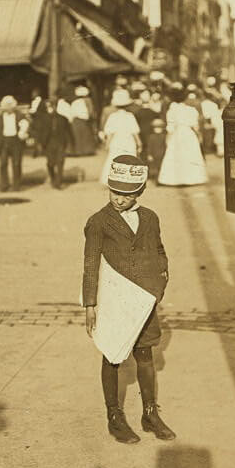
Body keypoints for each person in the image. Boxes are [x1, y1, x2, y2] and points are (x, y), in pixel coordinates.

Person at [82, 154, 175, 444]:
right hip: (113, 299)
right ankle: (114, 415)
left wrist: (160, 280)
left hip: (143, 299)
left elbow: (158, 250)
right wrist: (90, 305)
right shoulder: (98, 222)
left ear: (140, 192)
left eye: (127, 194)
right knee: (112, 354)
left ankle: (150, 413)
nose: (119, 199)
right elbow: (90, 263)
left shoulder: (150, 218)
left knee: (145, 354)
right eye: (114, 192)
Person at [157, 89, 208, 187]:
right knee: (190, 154)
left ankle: (175, 179)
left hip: (177, 133)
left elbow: (170, 127)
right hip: (189, 133)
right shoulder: (191, 110)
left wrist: (168, 138)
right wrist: (198, 135)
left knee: (175, 155)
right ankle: (192, 178)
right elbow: (195, 126)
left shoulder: (172, 110)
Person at [99, 89, 140, 183]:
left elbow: (110, 133)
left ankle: (114, 178)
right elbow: (135, 132)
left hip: (116, 141)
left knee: (114, 159)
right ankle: (129, 179)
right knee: (129, 159)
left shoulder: (112, 116)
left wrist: (107, 144)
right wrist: (139, 142)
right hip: (129, 141)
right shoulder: (130, 116)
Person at [0, 95, 29, 192]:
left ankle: (16, 185)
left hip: (16, 141)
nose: (8, 107)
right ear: (3, 106)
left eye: (10, 105)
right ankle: (4, 185)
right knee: (3, 163)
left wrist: (24, 132)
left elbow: (26, 126)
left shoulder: (19, 116)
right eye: (6, 105)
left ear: (14, 106)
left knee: (16, 163)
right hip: (3, 142)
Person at [43, 97, 75, 188]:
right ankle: (53, 178)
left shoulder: (63, 119)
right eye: (48, 107)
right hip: (49, 143)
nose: (50, 109)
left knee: (60, 162)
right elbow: (41, 132)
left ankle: (58, 182)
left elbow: (69, 132)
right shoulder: (44, 119)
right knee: (50, 163)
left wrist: (71, 143)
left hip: (60, 142)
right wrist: (41, 144)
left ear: (55, 107)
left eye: (52, 106)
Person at [70, 84, 97, 156]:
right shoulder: (87, 101)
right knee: (85, 135)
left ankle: (78, 151)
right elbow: (90, 112)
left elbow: (72, 112)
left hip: (76, 120)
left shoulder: (74, 102)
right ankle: (87, 151)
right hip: (83, 120)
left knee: (78, 136)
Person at [146, 118, 168, 183]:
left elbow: (165, 145)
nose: (157, 130)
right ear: (153, 128)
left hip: (162, 154)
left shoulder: (164, 136)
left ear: (162, 128)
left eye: (159, 128)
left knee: (162, 167)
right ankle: (157, 180)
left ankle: (161, 179)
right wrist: (149, 154)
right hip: (154, 155)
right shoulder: (151, 137)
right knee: (155, 168)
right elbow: (149, 146)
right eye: (156, 128)